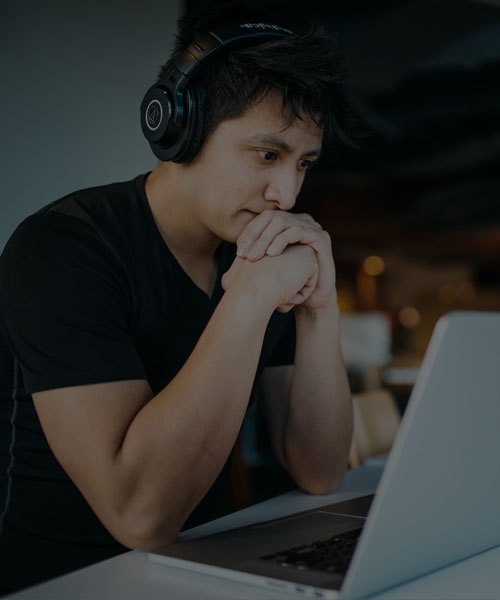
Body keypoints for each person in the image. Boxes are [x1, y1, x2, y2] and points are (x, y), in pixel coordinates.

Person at [0, 5, 356, 595]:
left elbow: (320, 472)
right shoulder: (64, 249)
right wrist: (247, 299)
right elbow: (140, 517)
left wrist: (321, 307)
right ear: (178, 127)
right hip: (59, 582)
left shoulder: (256, 253)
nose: (287, 192)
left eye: (304, 164)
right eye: (267, 155)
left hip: (196, 574)